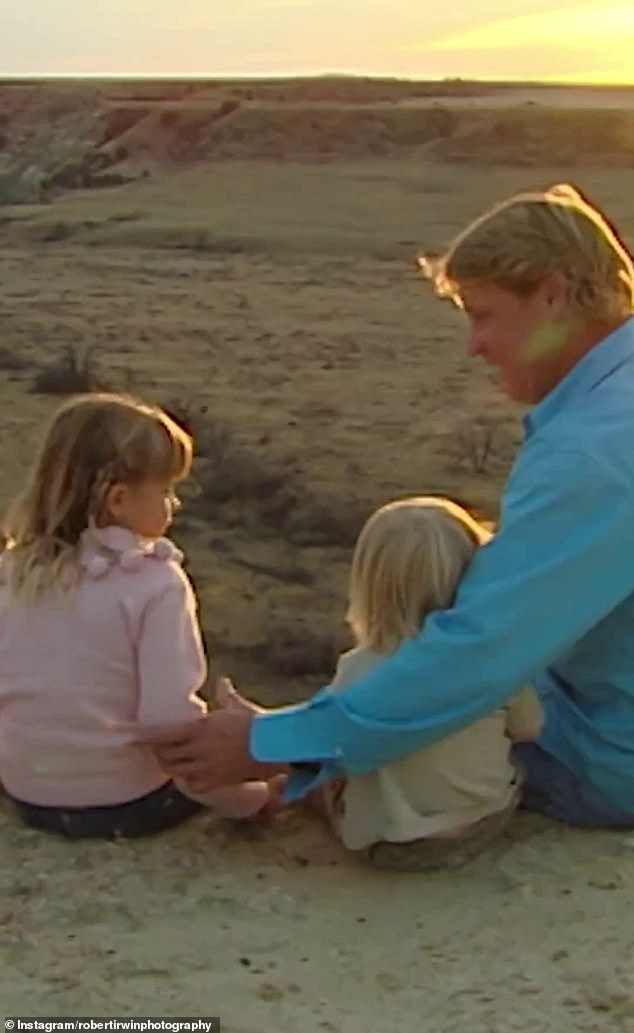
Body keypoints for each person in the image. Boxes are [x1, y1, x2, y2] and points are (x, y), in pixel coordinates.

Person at [146, 182, 634, 830]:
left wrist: (268, 745)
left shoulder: (591, 452)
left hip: (607, 760)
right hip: (590, 697)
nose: (474, 345)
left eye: (482, 313)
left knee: (435, 734)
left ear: (552, 294)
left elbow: (479, 653)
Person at [0, 392, 281, 839]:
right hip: (127, 802)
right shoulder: (155, 584)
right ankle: (267, 800)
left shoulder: (14, 571)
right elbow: (167, 724)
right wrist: (240, 783)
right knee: (227, 778)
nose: (175, 504)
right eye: (167, 490)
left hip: (28, 794)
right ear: (118, 500)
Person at [219, 496, 542, 870]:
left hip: (388, 845)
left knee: (328, 774)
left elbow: (328, 742)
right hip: (481, 823)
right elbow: (529, 729)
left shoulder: (358, 670)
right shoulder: (493, 660)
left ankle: (276, 795)